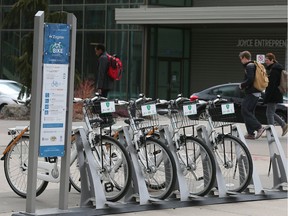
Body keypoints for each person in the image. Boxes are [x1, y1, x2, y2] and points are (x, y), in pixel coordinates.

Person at [239, 51, 265, 140]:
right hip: (255, 92)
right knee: (249, 112)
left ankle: (259, 128)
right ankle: (250, 133)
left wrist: (242, 85)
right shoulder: (253, 65)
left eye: (241, 59)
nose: (241, 61)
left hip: (252, 92)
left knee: (245, 110)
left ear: (244, 58)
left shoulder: (249, 66)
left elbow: (250, 79)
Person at [264, 53, 288, 136]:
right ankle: (283, 125)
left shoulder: (274, 70)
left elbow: (272, 85)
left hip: (274, 95)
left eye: (267, 60)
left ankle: (272, 132)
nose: (265, 62)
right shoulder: (275, 69)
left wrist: (267, 96)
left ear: (272, 60)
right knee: (271, 112)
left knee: (269, 113)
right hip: (275, 94)